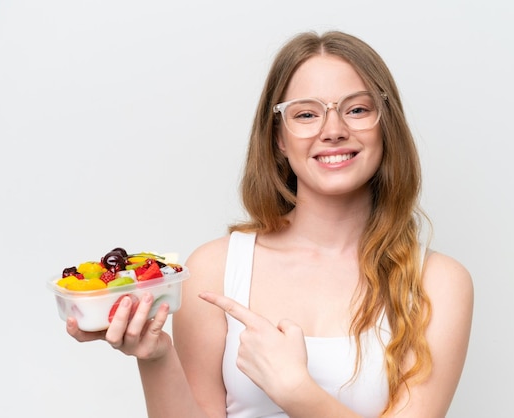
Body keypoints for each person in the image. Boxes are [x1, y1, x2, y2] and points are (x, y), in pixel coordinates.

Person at [67, 30, 473, 417]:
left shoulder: (439, 283)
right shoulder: (214, 269)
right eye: (307, 114)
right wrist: (156, 357)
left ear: (386, 125)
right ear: (278, 137)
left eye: (357, 109)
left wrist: (296, 391)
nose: (333, 130)